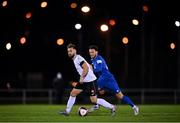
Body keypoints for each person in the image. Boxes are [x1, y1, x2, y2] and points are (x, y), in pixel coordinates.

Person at [59, 43, 116, 116]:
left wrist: (82, 77)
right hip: (85, 81)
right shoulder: (76, 58)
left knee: (94, 100)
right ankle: (67, 111)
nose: (69, 52)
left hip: (91, 81)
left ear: (75, 51)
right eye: (68, 51)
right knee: (73, 93)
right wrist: (89, 69)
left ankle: (112, 107)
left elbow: (85, 67)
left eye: (71, 51)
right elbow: (88, 66)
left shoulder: (78, 58)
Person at [88, 45, 139, 115]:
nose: (91, 54)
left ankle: (134, 107)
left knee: (120, 96)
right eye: (90, 52)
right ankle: (100, 105)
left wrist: (90, 69)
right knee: (98, 91)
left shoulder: (99, 59)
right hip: (102, 79)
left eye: (92, 52)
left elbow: (99, 69)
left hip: (107, 78)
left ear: (96, 52)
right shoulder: (92, 60)